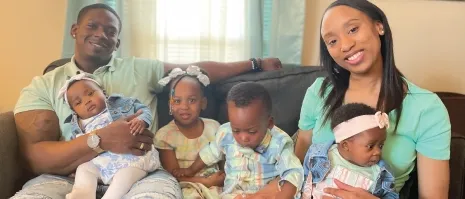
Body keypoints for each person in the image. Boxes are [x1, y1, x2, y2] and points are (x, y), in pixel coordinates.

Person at [12, 3, 281, 199]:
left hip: (141, 173)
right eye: (92, 26)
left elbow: (193, 70)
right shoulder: (45, 85)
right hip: (69, 177)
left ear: (117, 42)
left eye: (110, 30)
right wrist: (100, 139)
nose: (101, 33)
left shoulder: (139, 69)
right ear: (74, 30)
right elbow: (34, 157)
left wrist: (254, 63)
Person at [293, 0, 451, 198]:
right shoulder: (319, 92)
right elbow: (295, 169)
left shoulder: (427, 108)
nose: (346, 45)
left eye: (352, 29)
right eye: (332, 41)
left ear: (379, 26)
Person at [173, 82, 304, 199]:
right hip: (230, 194)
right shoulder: (226, 133)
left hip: (262, 195)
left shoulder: (279, 142)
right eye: (236, 130)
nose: (243, 138)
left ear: (269, 123)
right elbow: (210, 153)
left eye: (252, 131)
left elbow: (293, 172)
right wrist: (190, 171)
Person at [57, 73, 161, 199]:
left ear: (103, 92)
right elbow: (77, 151)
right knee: (84, 169)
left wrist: (142, 121)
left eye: (90, 93)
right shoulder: (78, 126)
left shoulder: (120, 105)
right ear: (75, 111)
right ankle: (83, 194)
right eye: (78, 102)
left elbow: (143, 110)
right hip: (103, 162)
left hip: (132, 158)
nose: (87, 101)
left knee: (123, 178)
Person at [154, 66, 224, 199]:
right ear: (170, 104)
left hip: (216, 184)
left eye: (191, 100)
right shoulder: (165, 135)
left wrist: (222, 177)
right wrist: (207, 182)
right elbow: (174, 177)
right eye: (177, 101)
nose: (184, 107)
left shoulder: (214, 127)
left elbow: (222, 161)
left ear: (203, 103)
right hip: (187, 186)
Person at [301, 103, 398, 199]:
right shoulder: (319, 155)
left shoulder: (380, 172)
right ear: (345, 145)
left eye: (381, 146)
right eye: (370, 146)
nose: (378, 152)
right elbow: (303, 181)